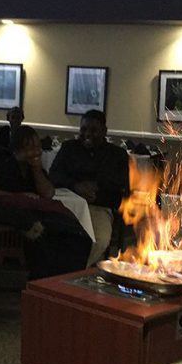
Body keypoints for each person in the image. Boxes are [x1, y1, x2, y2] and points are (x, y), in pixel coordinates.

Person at [0, 125, 90, 305]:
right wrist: (15, 197)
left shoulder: (35, 170)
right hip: (4, 234)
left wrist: (37, 168)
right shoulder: (6, 167)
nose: (35, 151)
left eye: (37, 146)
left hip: (30, 232)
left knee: (67, 237)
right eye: (30, 147)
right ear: (17, 151)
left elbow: (48, 194)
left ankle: (52, 291)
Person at [49, 109, 129, 266]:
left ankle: (74, 271)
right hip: (70, 205)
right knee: (61, 238)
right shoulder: (69, 148)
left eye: (93, 130)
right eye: (83, 129)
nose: (87, 134)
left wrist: (96, 189)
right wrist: (75, 186)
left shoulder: (116, 155)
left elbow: (122, 185)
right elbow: (54, 175)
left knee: (99, 240)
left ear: (104, 131)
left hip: (98, 207)